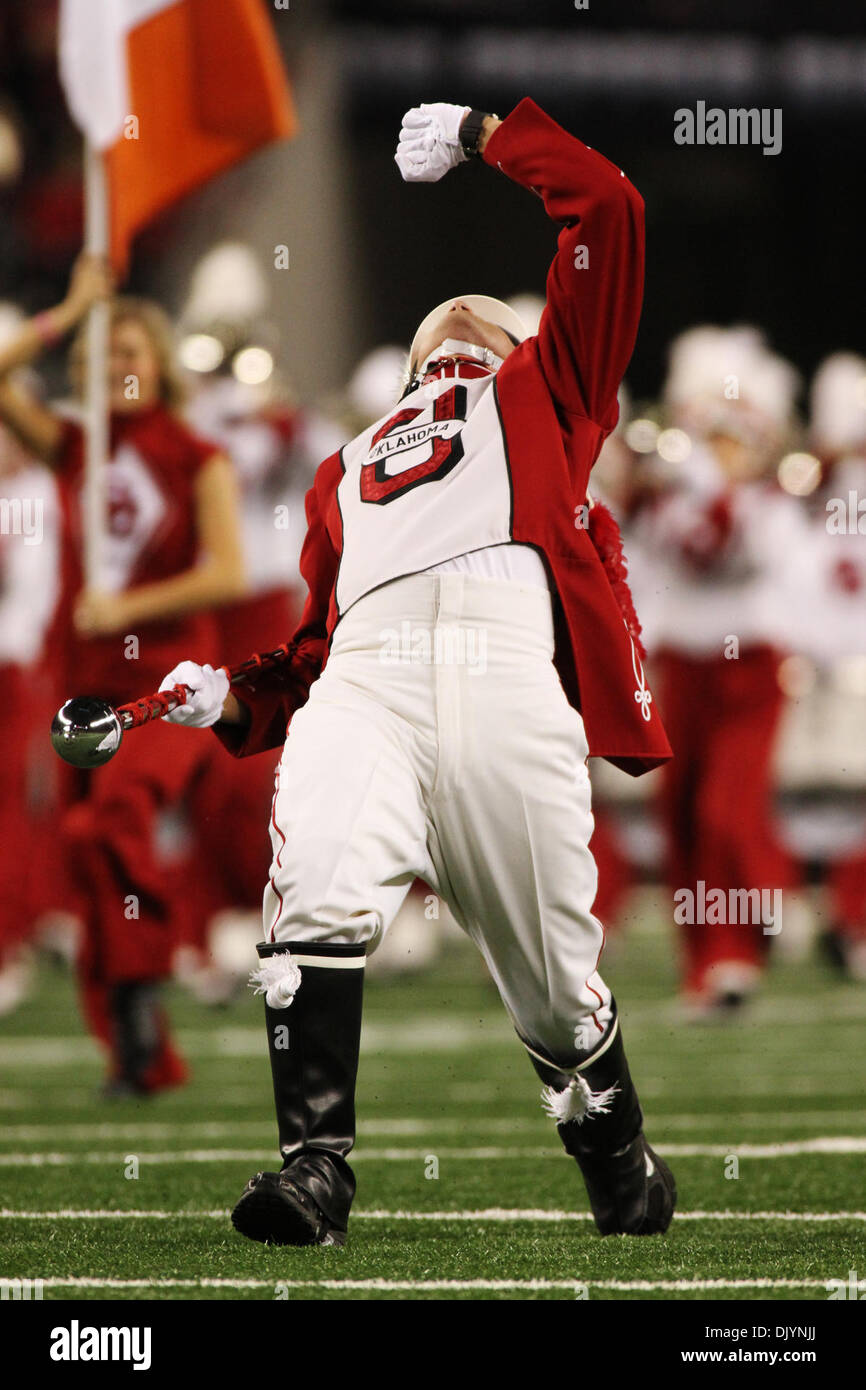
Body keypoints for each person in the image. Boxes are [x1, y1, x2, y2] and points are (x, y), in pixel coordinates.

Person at [160, 98, 675, 1246]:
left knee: (553, 987)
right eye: (432, 327)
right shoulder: (341, 467)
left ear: (519, 342)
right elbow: (314, 638)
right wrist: (233, 697)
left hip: (502, 665)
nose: (452, 326)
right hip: (367, 681)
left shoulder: (551, 391)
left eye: (476, 320)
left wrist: (489, 135)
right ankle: (314, 1171)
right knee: (313, 898)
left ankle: (615, 1154)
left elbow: (608, 205)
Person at [0, 255, 246, 1093]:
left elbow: (228, 574)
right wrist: (68, 308)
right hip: (84, 685)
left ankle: (152, 973)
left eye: (130, 355)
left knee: (116, 817)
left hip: (167, 685)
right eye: (101, 359)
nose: (117, 371)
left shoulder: (195, 453)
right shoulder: (75, 442)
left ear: (159, 362)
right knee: (82, 852)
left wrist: (128, 610)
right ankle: (136, 1045)